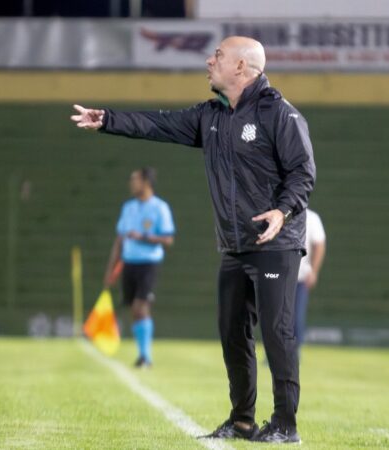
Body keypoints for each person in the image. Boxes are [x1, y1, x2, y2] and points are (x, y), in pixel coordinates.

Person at [71, 36, 315, 443]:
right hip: (235, 247)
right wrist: (108, 119)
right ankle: (242, 421)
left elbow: (303, 173)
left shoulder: (279, 113)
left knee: (277, 334)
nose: (208, 61)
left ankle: (285, 426)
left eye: (217, 56)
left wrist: (282, 210)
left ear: (241, 67)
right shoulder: (211, 116)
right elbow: (159, 124)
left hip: (276, 243)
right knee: (232, 333)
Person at [103, 167, 175, 369]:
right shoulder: (128, 207)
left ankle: (146, 357)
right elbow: (119, 240)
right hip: (129, 263)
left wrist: (144, 237)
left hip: (149, 263)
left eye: (135, 179)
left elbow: (168, 239)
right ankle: (142, 355)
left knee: (140, 306)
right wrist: (111, 268)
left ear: (146, 182)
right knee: (134, 310)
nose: (131, 183)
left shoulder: (160, 207)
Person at [294, 209, 326, 355]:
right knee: (276, 317)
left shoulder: (312, 218)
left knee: (297, 316)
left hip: (300, 277)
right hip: (279, 276)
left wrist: (314, 271)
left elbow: (319, 244)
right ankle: (274, 353)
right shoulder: (277, 213)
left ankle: (295, 350)